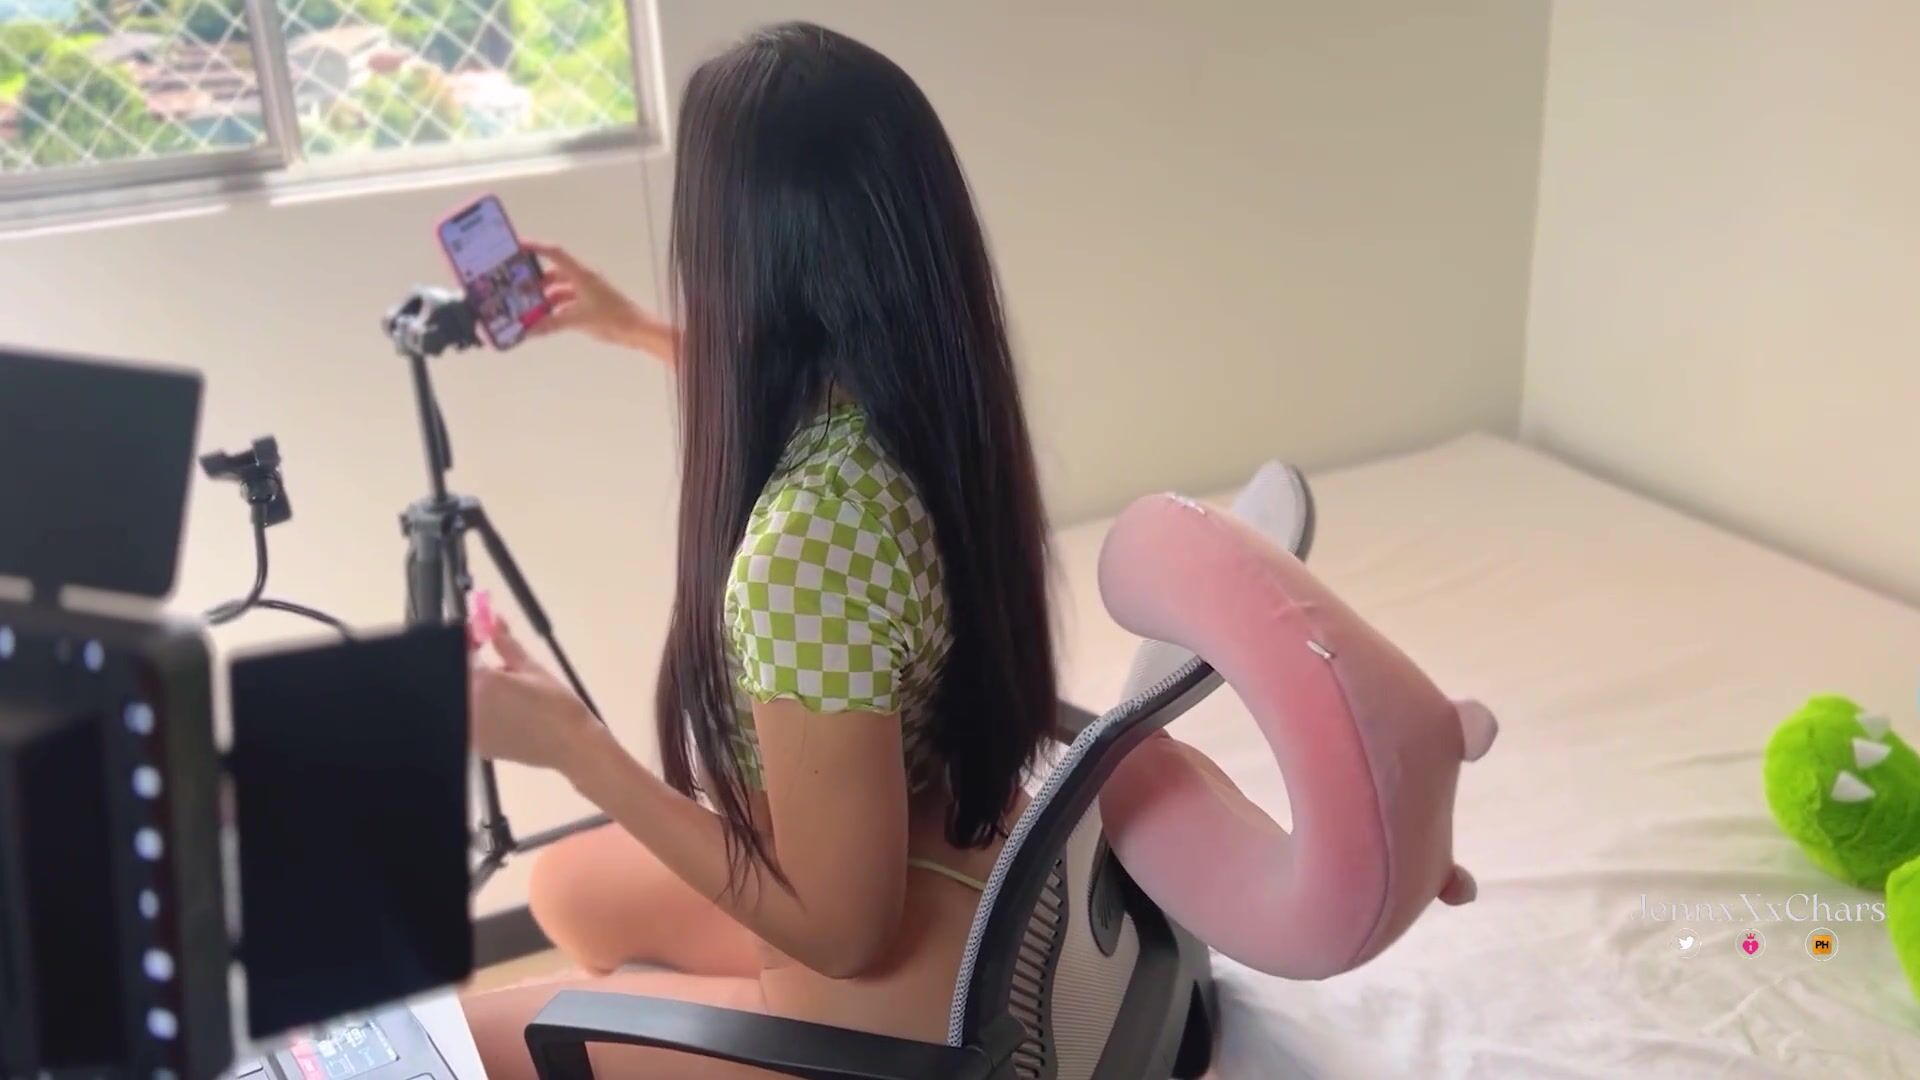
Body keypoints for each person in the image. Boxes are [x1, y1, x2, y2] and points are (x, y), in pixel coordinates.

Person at [460, 21, 1057, 1078]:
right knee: (563, 893)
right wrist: (632, 328)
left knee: (462, 1042)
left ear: (745, 259)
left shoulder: (803, 551)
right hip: (935, 868)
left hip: (874, 995)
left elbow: (844, 934)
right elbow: (779, 395)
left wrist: (570, 743)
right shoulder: (925, 409)